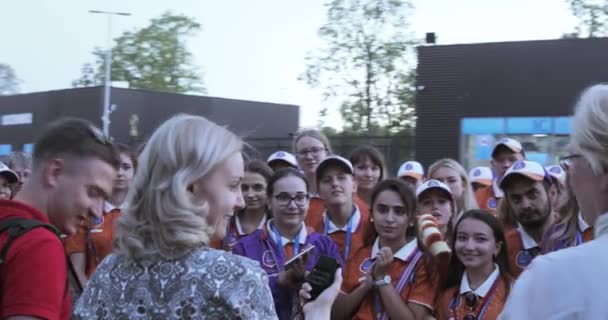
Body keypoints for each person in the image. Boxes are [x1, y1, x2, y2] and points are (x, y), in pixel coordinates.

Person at [74, 114, 339, 320]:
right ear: (189, 188)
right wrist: (318, 313)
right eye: (233, 185)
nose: (241, 201)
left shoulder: (107, 274)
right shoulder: (238, 279)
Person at [499, 84, 608, 319]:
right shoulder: (507, 244)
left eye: (573, 157)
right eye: (516, 197)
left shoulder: (550, 277)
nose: (569, 174)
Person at [0, 118, 120, 320]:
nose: (97, 212)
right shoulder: (39, 245)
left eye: (103, 198)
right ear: (55, 172)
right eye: (93, 192)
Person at [232, 168, 342, 320]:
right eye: (283, 197)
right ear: (269, 201)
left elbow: (337, 300)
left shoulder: (325, 245)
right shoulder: (244, 247)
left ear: (308, 201)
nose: (292, 205)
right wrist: (278, 281)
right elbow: (237, 300)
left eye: (300, 197)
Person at [333, 179, 436, 320]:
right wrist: (364, 286)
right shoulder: (361, 254)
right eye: (382, 210)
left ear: (411, 219)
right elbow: (335, 315)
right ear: (372, 215)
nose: (389, 218)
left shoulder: (424, 263)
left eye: (399, 212)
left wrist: (381, 279)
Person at [64, 143, 137, 287]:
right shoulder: (86, 212)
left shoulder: (143, 212)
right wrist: (91, 300)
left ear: (135, 173)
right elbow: (77, 269)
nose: (120, 173)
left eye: (126, 167)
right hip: (95, 297)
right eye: (114, 166)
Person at [435, 210, 512, 320]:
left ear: (497, 247)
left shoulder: (515, 292)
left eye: (480, 239)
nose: (469, 247)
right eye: (462, 238)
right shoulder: (446, 297)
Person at [308, 156, 370, 265]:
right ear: (319, 190)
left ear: (354, 184)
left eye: (341, 178)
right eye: (327, 180)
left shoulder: (372, 227)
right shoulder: (312, 231)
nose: (335, 184)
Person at [498, 160, 554, 278]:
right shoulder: (504, 248)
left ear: (552, 193)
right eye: (516, 198)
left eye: (533, 194)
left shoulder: (575, 237)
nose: (525, 205)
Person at [219, 159, 273, 251]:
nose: (250, 194)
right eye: (244, 188)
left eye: (258, 188)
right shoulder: (223, 222)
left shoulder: (276, 225)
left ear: (270, 190)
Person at [476, 138, 525, 214]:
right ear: (492, 164)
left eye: (512, 159)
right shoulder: (479, 196)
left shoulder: (532, 194)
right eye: (500, 160)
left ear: (524, 162)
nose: (506, 165)